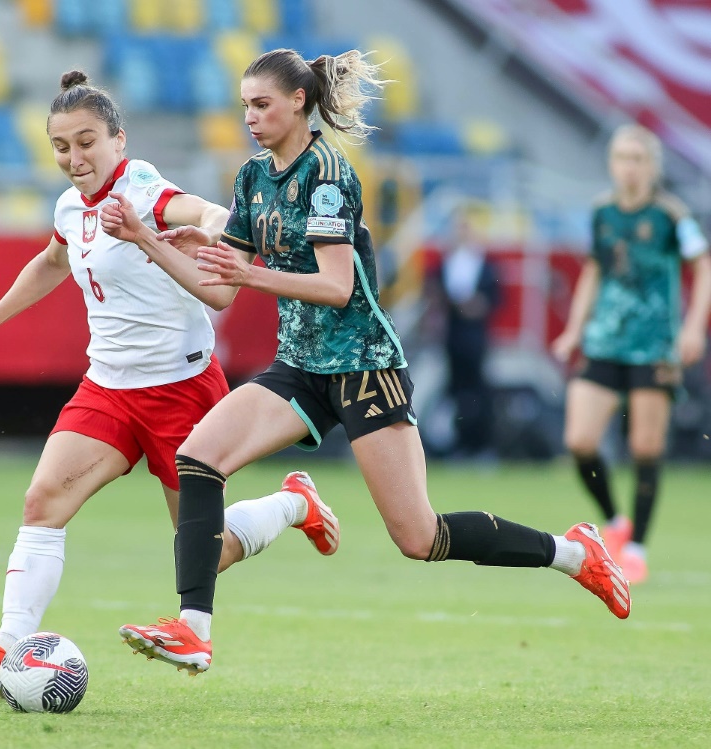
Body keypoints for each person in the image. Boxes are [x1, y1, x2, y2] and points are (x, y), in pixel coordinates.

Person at [117, 48, 632, 677]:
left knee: (420, 538)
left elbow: (335, 287)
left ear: (298, 102)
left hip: (364, 365)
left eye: (261, 104)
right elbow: (221, 289)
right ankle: (193, 629)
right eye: (245, 105)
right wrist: (147, 239)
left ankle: (573, 554)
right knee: (198, 457)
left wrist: (250, 270)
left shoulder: (329, 173)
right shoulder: (253, 177)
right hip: (301, 365)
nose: (249, 116)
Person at [0, 71, 340, 696]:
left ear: (119, 140)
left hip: (181, 387)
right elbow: (52, 261)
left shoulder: (144, 190)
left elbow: (211, 212)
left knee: (203, 549)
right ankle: (5, 647)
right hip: (108, 389)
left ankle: (293, 504)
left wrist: (212, 230)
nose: (74, 158)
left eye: (87, 142)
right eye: (62, 147)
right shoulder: (71, 206)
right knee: (43, 501)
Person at [552, 124, 711, 584]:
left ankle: (637, 545)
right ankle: (616, 522)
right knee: (580, 442)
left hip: (653, 347)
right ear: (611, 163)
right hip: (605, 342)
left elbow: (702, 267)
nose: (629, 167)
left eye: (638, 159)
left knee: (645, 447)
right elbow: (594, 271)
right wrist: (575, 330)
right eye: (622, 157)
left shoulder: (670, 215)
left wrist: (693, 327)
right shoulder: (602, 212)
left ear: (651, 166)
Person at [426, 205, 501, 457]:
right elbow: (434, 289)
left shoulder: (486, 264)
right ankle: (459, 444)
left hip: (476, 336)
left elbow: (496, 297)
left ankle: (481, 444)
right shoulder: (446, 262)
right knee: (455, 392)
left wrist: (478, 306)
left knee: (478, 392)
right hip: (453, 335)